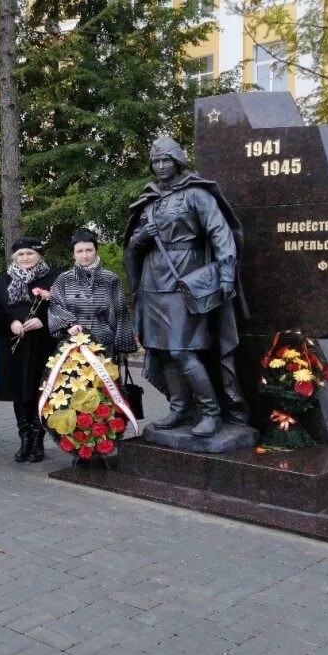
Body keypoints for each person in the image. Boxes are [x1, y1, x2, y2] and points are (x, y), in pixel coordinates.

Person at [124, 136, 249, 438]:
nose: (162, 165)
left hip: (186, 279)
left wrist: (227, 274)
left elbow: (221, 234)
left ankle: (210, 411)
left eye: (167, 159)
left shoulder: (197, 194)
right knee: (162, 351)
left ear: (178, 161)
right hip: (153, 282)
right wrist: (142, 236)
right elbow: (132, 245)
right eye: (156, 160)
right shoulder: (149, 198)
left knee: (182, 350)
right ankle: (179, 408)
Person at [0, 237, 59, 463]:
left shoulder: (54, 278)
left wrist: (44, 321)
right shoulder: (4, 279)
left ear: (39, 255)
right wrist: (10, 323)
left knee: (40, 392)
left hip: (43, 345)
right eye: (20, 255)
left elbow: (65, 308)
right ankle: (24, 439)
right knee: (20, 393)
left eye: (30, 253)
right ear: (14, 257)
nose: (25, 258)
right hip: (14, 346)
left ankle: (38, 440)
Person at [49, 229, 137, 360]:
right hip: (73, 345)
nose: (85, 255)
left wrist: (123, 347)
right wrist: (69, 324)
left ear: (96, 251)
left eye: (89, 250)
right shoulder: (64, 279)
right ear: (73, 254)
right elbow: (54, 306)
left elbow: (121, 313)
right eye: (79, 251)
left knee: (106, 380)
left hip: (104, 344)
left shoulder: (110, 279)